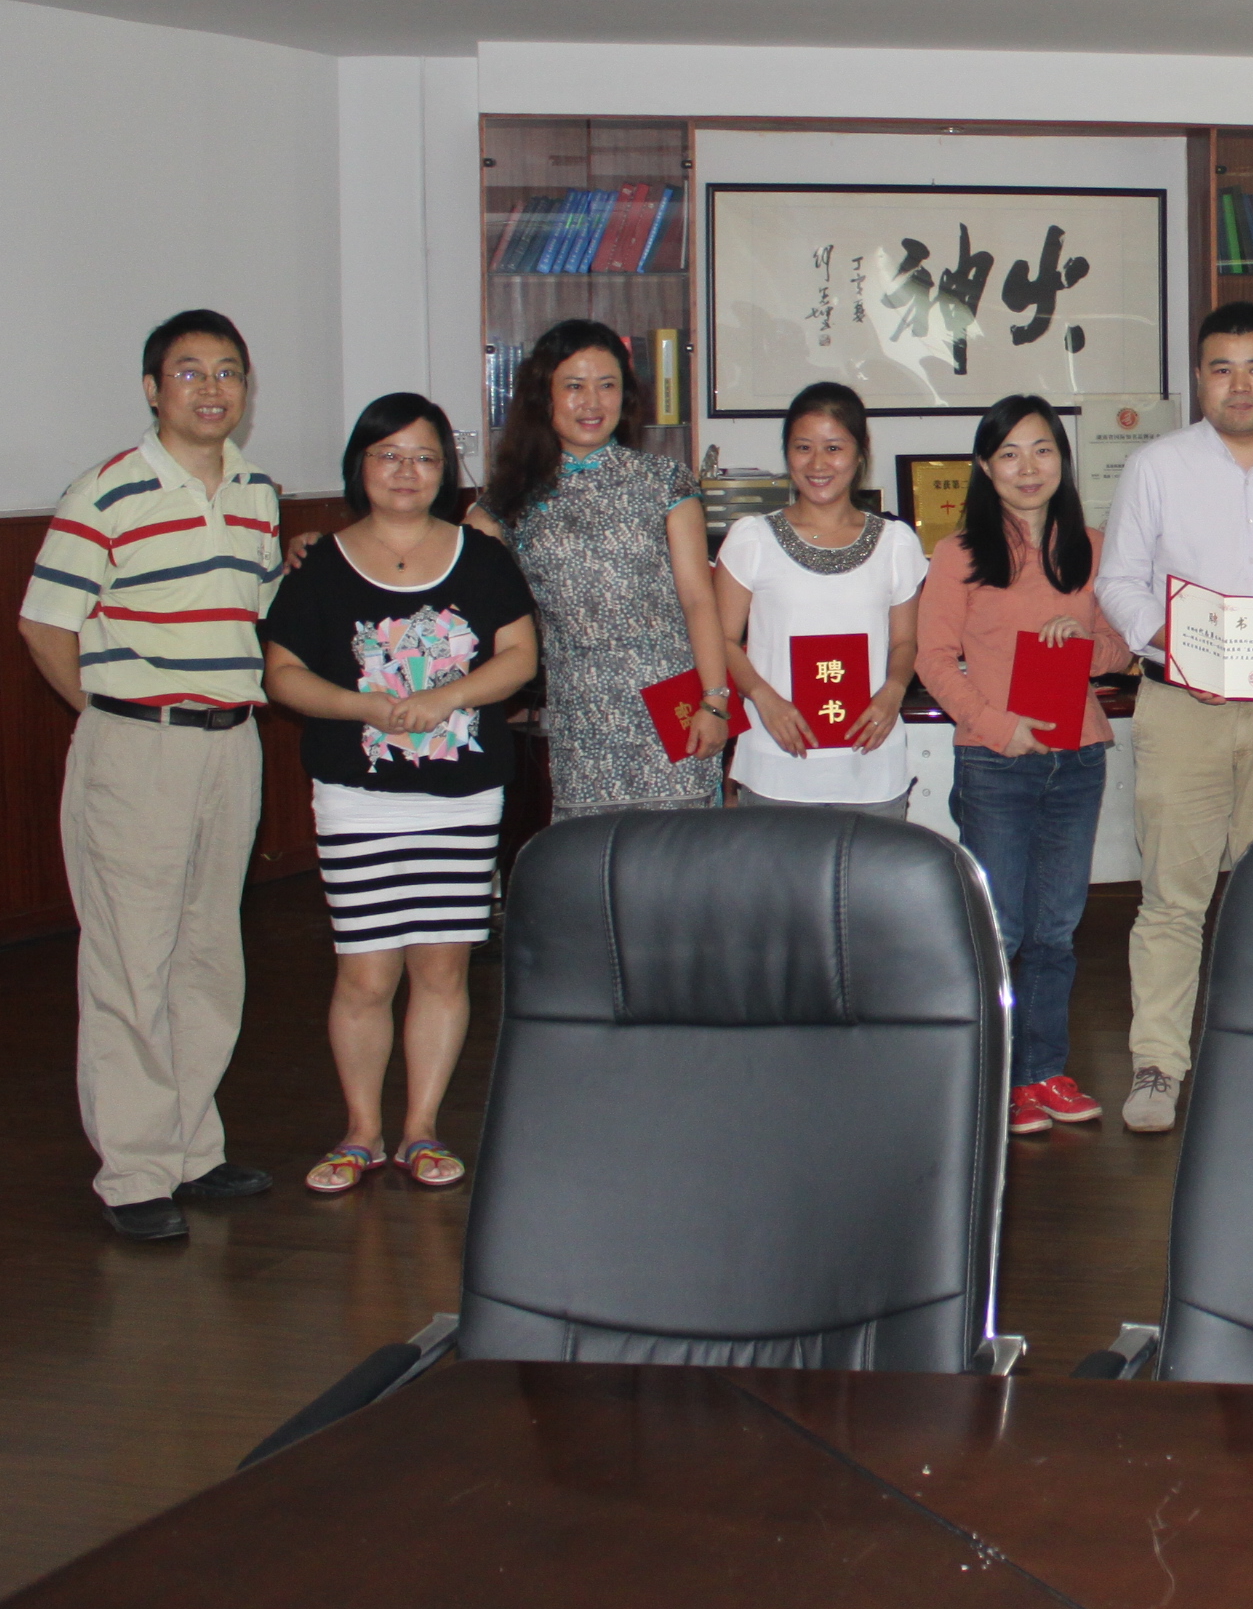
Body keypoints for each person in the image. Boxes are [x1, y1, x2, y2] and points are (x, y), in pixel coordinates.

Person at [16, 310, 285, 1241]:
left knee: (208, 952)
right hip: (137, 746)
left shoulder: (256, 492)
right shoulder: (107, 491)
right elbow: (44, 624)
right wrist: (107, 715)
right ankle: (133, 1170)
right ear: (152, 389)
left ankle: (191, 1150)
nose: (213, 389)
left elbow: (252, 612)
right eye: (190, 371)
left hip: (231, 744)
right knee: (130, 959)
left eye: (228, 372)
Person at [257, 394, 538, 1196]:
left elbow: (519, 657)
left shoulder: (482, 557)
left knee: (442, 970)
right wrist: (364, 707)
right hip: (358, 795)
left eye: (423, 457)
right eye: (388, 455)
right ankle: (360, 1132)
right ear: (361, 466)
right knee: (366, 973)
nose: (405, 471)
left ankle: (420, 1130)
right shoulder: (320, 563)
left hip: (462, 797)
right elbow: (282, 674)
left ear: (445, 470)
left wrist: (448, 697)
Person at [1096, 302, 1253, 1133]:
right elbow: (1119, 580)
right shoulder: (1157, 466)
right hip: (1184, 708)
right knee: (1172, 898)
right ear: (1199, 378)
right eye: (1222, 368)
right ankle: (1157, 1066)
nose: (1240, 385)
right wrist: (1176, 644)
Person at [917, 394, 1133, 1135]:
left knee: (1056, 928)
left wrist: (1088, 643)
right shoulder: (959, 554)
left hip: (1078, 759)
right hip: (995, 763)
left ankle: (1045, 1073)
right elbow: (933, 660)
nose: (1027, 467)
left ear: (1062, 460)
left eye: (1042, 449)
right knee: (1001, 929)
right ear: (985, 466)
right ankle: (994, 1077)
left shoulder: (1093, 547)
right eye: (1008, 453)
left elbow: (1122, 651)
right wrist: (997, 726)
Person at [472, 316, 731, 816]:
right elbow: (446, 559)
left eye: (607, 385)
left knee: (680, 853)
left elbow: (699, 600)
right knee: (592, 857)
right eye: (574, 386)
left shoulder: (664, 480)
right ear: (544, 396)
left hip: (674, 706)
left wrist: (715, 702)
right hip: (583, 718)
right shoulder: (511, 498)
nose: (592, 402)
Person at [715, 381, 926, 816]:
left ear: (860, 452)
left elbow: (905, 642)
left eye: (834, 448)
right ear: (787, 453)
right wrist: (763, 698)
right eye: (803, 447)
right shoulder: (751, 538)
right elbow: (721, 641)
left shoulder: (896, 542)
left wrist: (893, 691)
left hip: (870, 760)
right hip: (778, 760)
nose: (817, 463)